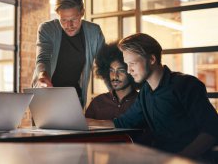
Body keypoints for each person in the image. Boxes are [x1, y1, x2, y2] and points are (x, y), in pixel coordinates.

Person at [88, 33, 218, 159]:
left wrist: (180, 159)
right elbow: (122, 122)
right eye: (127, 65)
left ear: (151, 59)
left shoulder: (186, 85)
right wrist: (86, 123)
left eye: (132, 64)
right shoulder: (145, 92)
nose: (129, 70)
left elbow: (212, 130)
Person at [32, 0, 105, 107]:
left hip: (73, 96)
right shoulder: (47, 29)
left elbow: (104, 63)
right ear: (58, 15)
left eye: (74, 19)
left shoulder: (94, 32)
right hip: (46, 94)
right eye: (64, 20)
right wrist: (42, 74)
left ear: (82, 13)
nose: (69, 25)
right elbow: (43, 57)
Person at [85, 42, 138, 119]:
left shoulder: (142, 102)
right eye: (111, 70)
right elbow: (85, 129)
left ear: (131, 72)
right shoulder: (98, 102)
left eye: (121, 70)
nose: (115, 75)